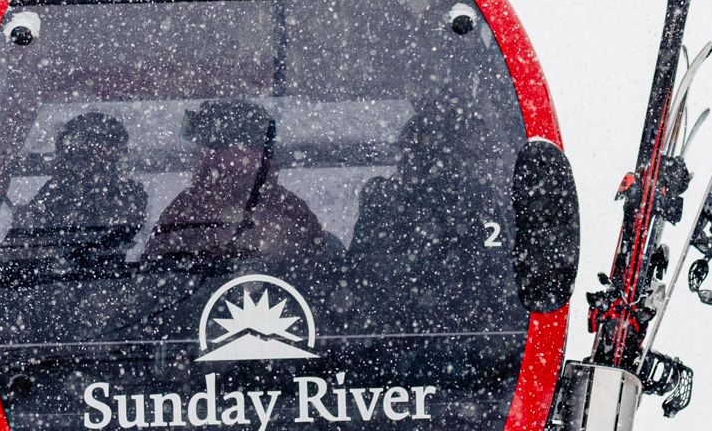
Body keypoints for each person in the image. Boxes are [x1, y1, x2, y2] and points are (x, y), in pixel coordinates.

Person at [346, 99, 513, 325]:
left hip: (455, 329)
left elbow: (495, 269)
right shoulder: (382, 198)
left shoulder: (474, 198)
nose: (413, 163)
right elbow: (358, 270)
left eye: (426, 155)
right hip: (401, 328)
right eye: (410, 153)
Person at [143, 100, 326, 265]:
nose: (201, 155)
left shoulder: (187, 208)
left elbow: (153, 278)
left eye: (208, 145)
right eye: (202, 147)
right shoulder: (288, 207)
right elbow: (153, 278)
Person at [8, 111, 148, 264]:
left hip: (94, 279)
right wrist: (25, 227)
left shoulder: (128, 195)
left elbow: (100, 245)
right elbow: (18, 259)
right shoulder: (55, 192)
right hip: (75, 280)